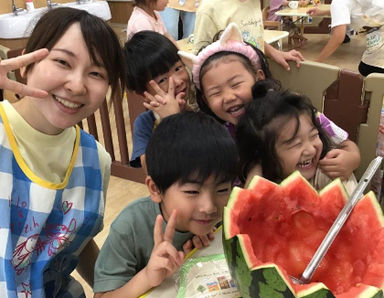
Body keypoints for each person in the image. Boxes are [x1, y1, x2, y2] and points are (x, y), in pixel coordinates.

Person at [0, 7, 126, 297]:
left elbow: (73, 244)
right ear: (26, 64)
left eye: (96, 73)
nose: (76, 85)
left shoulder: (96, 160)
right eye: (62, 62)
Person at [179, 22, 361, 182]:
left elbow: (345, 142)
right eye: (216, 92)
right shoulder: (217, 136)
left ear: (259, 78)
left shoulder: (292, 111)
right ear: (205, 100)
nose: (228, 96)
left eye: (235, 84)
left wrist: (352, 158)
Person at [93, 111, 238, 297]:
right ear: (155, 189)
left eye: (222, 190)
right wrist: (147, 276)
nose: (210, 207)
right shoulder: (130, 227)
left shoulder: (223, 215)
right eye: (192, 192)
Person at [236, 81, 358, 193]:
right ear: (263, 152)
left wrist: (352, 158)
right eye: (296, 144)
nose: (310, 150)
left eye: (314, 136)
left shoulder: (330, 174)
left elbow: (356, 212)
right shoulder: (257, 182)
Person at [124, 31, 196, 170]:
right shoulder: (146, 123)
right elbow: (152, 171)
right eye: (162, 80)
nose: (177, 81)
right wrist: (171, 121)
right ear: (142, 93)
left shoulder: (202, 103)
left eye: (178, 68)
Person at [192, 0, 304, 71]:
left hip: (257, 81)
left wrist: (274, 52)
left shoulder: (253, 2)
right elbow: (201, 62)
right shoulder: (209, 9)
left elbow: (252, 37)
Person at [307, 0, 384, 76]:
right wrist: (322, 12)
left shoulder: (338, 2)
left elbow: (338, 37)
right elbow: (346, 8)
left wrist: (315, 64)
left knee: (369, 69)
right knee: (365, 68)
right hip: (378, 30)